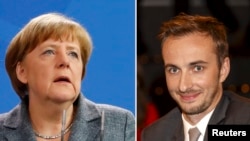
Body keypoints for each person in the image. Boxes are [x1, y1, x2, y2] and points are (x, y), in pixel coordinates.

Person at [0, 13, 135, 141]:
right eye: (49, 52)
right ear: (22, 72)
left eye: (73, 54)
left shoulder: (120, 124)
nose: (65, 61)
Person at [141, 13, 250, 141]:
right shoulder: (154, 135)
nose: (184, 86)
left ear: (223, 69)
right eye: (174, 70)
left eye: (197, 68)